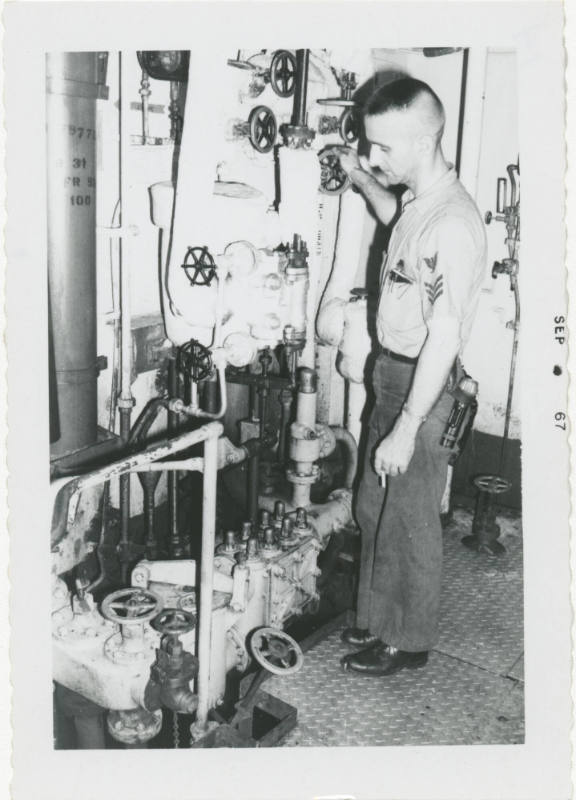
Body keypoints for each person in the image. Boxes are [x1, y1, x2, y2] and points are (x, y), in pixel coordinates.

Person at [334, 77, 487, 676]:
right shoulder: (419, 202)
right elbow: (390, 208)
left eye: (382, 149)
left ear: (422, 143)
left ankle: (409, 639)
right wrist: (357, 175)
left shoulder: (451, 223)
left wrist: (407, 426)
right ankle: (375, 619)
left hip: (423, 388)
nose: (375, 157)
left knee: (410, 518)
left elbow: (445, 335)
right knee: (373, 505)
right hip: (391, 376)